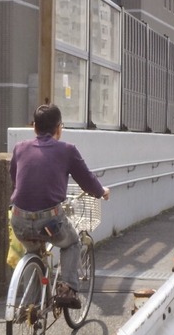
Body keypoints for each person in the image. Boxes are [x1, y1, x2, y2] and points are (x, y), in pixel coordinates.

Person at [9, 104, 110, 309]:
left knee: (33, 251)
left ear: (34, 127)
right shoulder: (67, 150)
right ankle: (67, 289)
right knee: (72, 242)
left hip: (18, 219)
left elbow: (15, 180)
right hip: (50, 222)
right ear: (58, 128)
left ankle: (30, 306)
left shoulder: (19, 148)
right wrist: (102, 192)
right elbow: (87, 180)